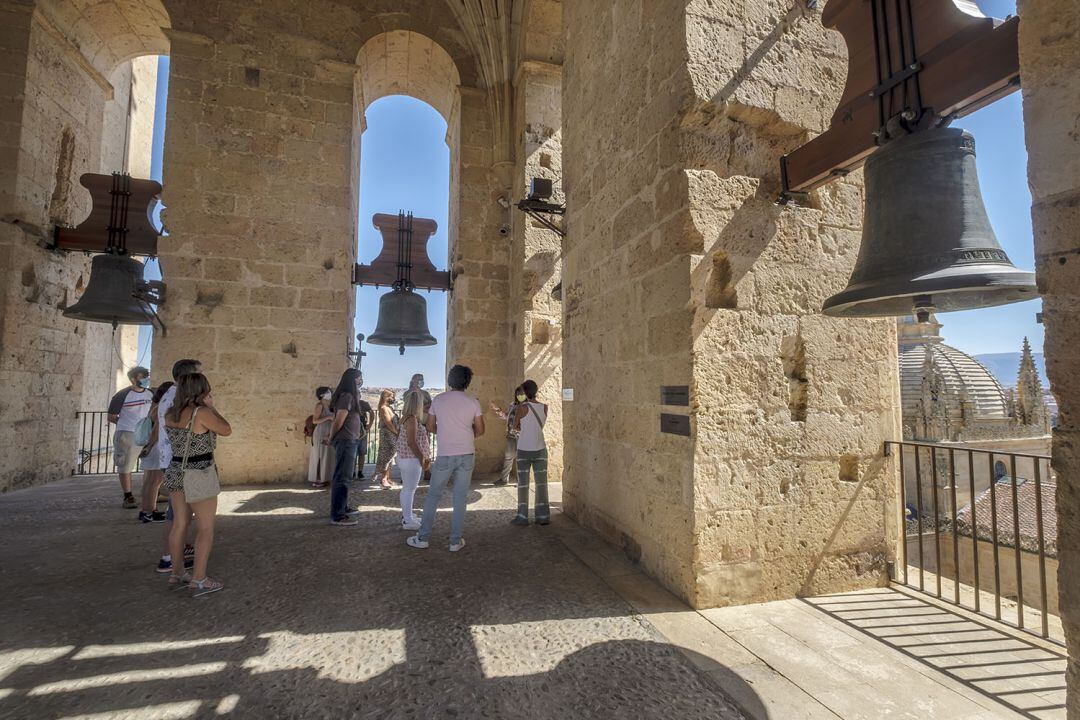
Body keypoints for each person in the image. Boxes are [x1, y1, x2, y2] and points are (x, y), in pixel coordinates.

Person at [164, 372, 231, 595]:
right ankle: (199, 579)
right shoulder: (201, 413)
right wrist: (211, 408)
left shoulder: (170, 413)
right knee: (205, 528)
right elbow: (226, 429)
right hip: (198, 472)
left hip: (176, 470)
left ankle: (177, 572)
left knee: (179, 524)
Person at [407, 365, 484, 552]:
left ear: (450, 380)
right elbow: (481, 430)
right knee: (460, 498)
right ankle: (455, 542)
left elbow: (431, 426)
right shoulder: (473, 402)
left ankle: (423, 537)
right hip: (466, 453)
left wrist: (446, 432)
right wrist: (465, 433)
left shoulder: (439, 401)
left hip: (445, 453)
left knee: (433, 495)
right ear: (467, 381)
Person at [143, 358, 201, 572]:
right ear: (189, 376)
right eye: (198, 374)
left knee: (175, 511)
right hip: (179, 461)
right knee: (179, 513)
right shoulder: (180, 398)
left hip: (171, 460)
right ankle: (169, 558)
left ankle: (172, 553)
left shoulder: (170, 394)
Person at [326, 368, 371, 526]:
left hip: (349, 440)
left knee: (345, 477)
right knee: (342, 478)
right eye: (359, 378)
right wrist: (331, 437)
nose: (360, 381)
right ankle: (337, 515)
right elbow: (338, 421)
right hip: (345, 440)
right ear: (353, 380)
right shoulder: (347, 397)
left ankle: (343, 507)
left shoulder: (350, 396)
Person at [107, 366, 153, 509]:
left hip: (147, 434)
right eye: (142, 376)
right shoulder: (122, 395)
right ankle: (128, 496)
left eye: (147, 376)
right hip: (128, 433)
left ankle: (152, 493)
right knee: (126, 465)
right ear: (133, 379)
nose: (145, 379)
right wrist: (129, 425)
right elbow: (112, 416)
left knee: (152, 464)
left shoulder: (150, 394)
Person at [511, 379, 549, 525]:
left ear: (525, 392)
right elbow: (540, 426)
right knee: (541, 484)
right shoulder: (545, 407)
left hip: (524, 449)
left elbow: (515, 427)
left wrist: (521, 426)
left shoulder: (522, 408)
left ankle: (522, 516)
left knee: (523, 484)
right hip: (540, 449)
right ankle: (543, 516)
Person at [395, 389, 431, 530]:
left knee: (407, 489)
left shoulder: (406, 417)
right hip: (411, 459)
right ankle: (408, 520)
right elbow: (412, 442)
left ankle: (407, 515)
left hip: (406, 458)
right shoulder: (412, 420)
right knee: (410, 490)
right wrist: (423, 460)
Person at [490, 385, 524, 487]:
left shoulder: (527, 406)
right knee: (508, 457)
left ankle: (522, 482)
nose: (520, 395)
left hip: (522, 437)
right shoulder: (512, 405)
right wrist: (498, 410)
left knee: (521, 459)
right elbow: (506, 416)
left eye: (522, 394)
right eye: (518, 394)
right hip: (511, 435)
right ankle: (504, 479)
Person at [307, 386, 335, 488]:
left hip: (328, 432)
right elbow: (315, 420)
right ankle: (318, 479)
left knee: (327, 456)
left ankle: (325, 478)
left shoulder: (329, 405)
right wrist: (328, 417)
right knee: (320, 455)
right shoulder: (319, 405)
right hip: (320, 432)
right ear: (322, 395)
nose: (330, 393)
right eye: (328, 392)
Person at [373, 390, 399, 489]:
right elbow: (388, 423)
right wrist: (397, 433)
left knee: (390, 457)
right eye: (392, 396)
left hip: (392, 435)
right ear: (385, 397)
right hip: (387, 435)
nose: (393, 399)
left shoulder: (390, 408)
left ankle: (387, 478)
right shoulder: (383, 408)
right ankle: (383, 479)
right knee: (386, 456)